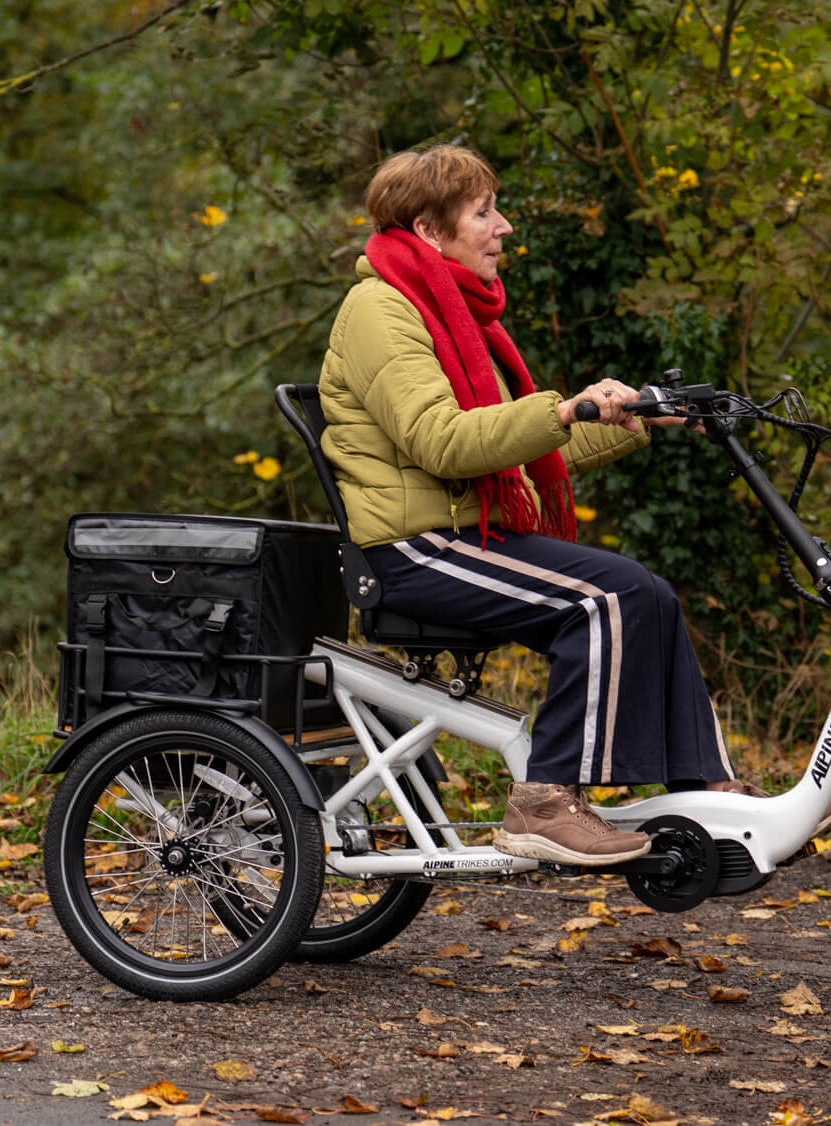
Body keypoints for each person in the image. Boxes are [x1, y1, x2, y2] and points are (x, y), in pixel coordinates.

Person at [317, 144, 763, 867]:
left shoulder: (450, 308)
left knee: (647, 592)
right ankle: (542, 801)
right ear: (430, 230)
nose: (504, 227)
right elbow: (444, 443)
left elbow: (519, 451)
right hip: (412, 548)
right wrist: (561, 411)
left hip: (467, 533)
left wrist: (635, 418)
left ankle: (700, 792)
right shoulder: (380, 309)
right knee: (607, 598)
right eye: (484, 212)